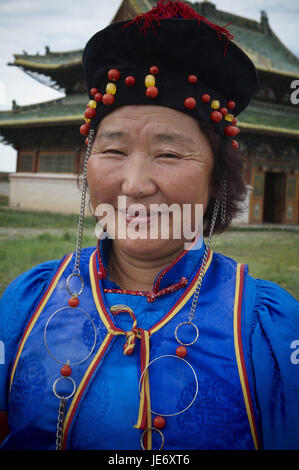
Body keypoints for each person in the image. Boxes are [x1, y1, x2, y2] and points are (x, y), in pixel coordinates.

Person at [0, 0, 298, 451]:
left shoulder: (266, 327)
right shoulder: (27, 303)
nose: (135, 185)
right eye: (113, 151)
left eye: (170, 154)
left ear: (216, 179)